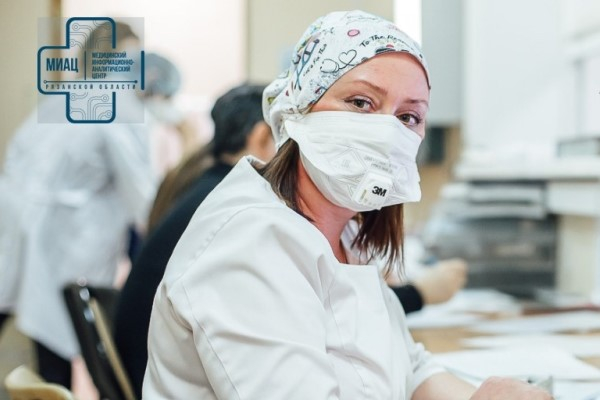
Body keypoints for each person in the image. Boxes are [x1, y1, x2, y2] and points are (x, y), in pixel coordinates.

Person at [143, 10, 552, 399]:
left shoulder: (347, 233)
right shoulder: (249, 243)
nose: (386, 131)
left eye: (408, 117)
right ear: (300, 107)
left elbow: (408, 368)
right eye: (360, 103)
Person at [0, 24, 179, 388]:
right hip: (66, 238)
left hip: (28, 228)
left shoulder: (67, 96)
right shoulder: (119, 106)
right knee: (58, 338)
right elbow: (144, 201)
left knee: (46, 335)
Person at [114, 83, 275, 397]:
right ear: (261, 136)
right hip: (155, 371)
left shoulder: (205, 182)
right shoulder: (235, 201)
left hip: (144, 355)